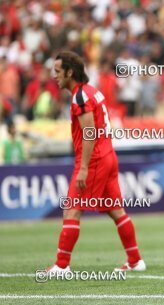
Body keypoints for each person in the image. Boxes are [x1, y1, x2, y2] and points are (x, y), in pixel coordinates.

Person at [46, 51, 145, 273]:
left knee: (72, 210)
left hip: (94, 160)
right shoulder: (92, 92)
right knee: (115, 210)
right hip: (108, 155)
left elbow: (89, 132)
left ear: (70, 72)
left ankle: (62, 266)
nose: (55, 76)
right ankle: (136, 260)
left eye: (58, 71)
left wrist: (82, 168)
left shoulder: (80, 96)